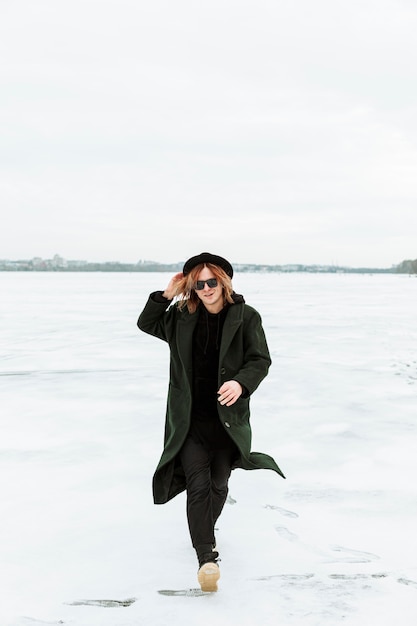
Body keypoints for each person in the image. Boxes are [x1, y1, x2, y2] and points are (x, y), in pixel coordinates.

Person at [137, 252, 285, 592]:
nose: (205, 288)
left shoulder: (246, 317)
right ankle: (206, 557)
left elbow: (260, 359)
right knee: (198, 484)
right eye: (199, 283)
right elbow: (147, 323)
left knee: (218, 484)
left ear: (224, 282)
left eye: (211, 281)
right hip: (189, 420)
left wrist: (241, 383)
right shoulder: (180, 316)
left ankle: (204, 531)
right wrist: (167, 294)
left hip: (226, 420)